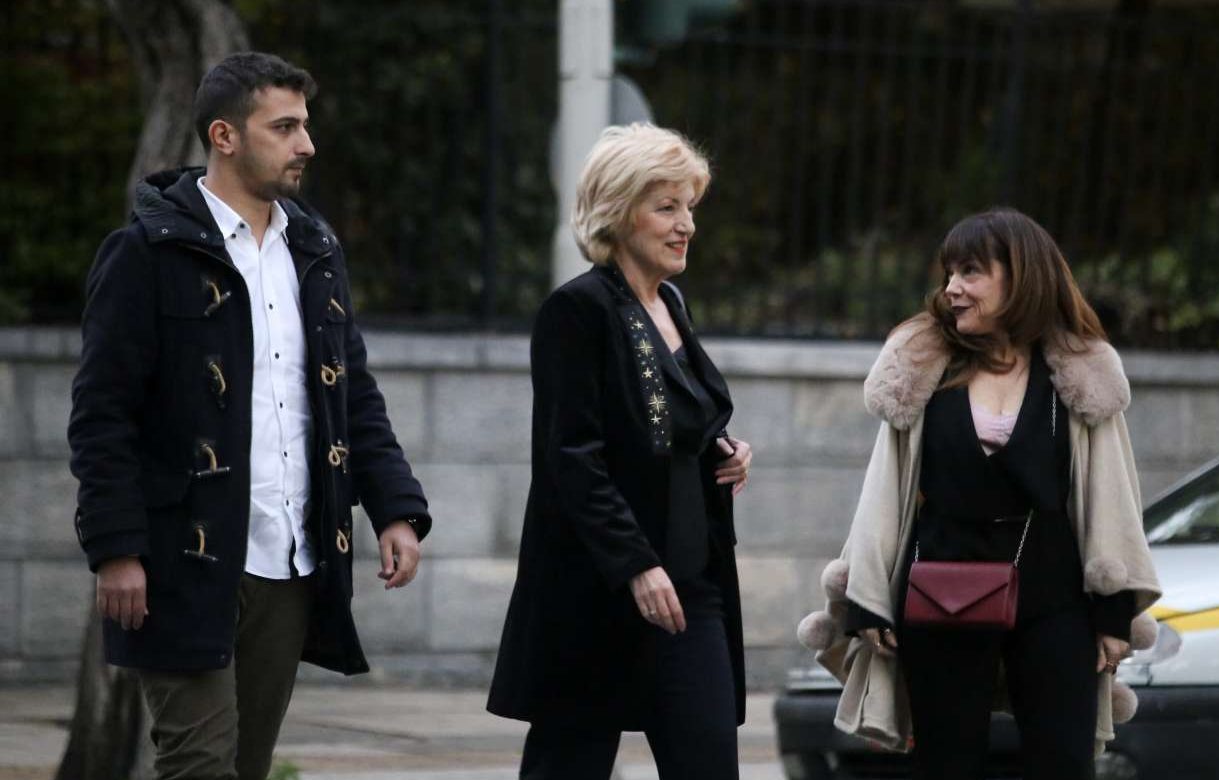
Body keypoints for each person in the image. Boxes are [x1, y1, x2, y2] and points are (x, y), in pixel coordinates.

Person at [67, 52, 432, 780]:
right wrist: (115, 548)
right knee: (199, 764)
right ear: (225, 136)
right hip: (181, 559)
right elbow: (102, 413)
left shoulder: (314, 250)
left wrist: (394, 506)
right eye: (285, 127)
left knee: (247, 766)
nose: (307, 145)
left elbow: (352, 394)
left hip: (289, 557)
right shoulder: (146, 253)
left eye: (305, 126)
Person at [799, 208, 1161, 779]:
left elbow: (1111, 493)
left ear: (1021, 276)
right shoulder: (924, 365)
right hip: (939, 589)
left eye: (970, 272)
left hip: (1054, 593)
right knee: (947, 764)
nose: (952, 289)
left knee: (1064, 762)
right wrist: (868, 594)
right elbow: (884, 489)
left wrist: (1114, 610)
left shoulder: (1076, 370)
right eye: (949, 273)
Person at [486, 123, 754, 780]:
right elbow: (572, 456)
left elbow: (667, 424)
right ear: (619, 211)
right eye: (666, 207)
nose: (686, 224)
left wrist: (721, 451)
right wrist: (636, 565)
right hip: (597, 594)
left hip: (690, 588)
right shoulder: (576, 311)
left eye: (688, 206)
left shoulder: (671, 303)